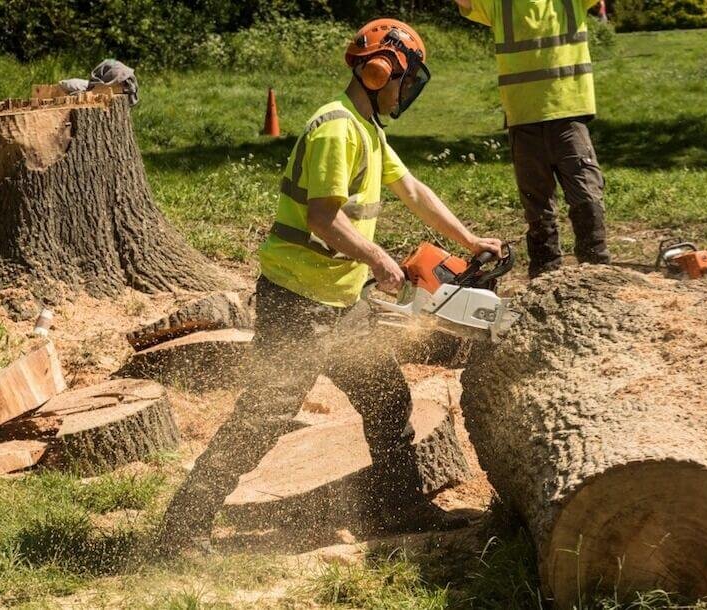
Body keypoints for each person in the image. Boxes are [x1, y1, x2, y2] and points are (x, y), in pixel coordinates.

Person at [156, 18, 502, 553]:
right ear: (378, 72)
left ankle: (399, 506)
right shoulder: (337, 129)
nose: (404, 91)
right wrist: (379, 258)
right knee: (264, 415)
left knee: (387, 398)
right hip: (299, 300)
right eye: (402, 80)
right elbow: (323, 218)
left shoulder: (367, 129)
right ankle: (181, 528)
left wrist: (468, 237)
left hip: (343, 301)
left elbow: (411, 187)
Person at [454, 0, 611, 278]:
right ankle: (545, 276)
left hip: (568, 113)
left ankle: (596, 272)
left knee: (586, 197)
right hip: (523, 118)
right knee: (537, 207)